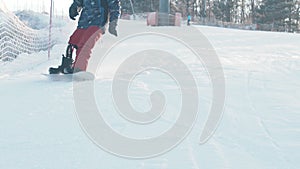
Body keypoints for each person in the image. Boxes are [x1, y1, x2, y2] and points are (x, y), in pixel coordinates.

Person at [49, 0, 121, 74]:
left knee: (85, 44)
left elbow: (115, 7)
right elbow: (79, 1)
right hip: (84, 22)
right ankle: (67, 65)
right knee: (73, 41)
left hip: (98, 22)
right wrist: (74, 7)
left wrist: (113, 23)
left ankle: (79, 69)